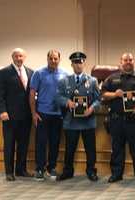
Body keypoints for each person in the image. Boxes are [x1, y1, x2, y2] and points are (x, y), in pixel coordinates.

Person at [102, 53, 135, 183]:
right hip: (117, 120)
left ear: (133, 61)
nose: (128, 62)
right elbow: (103, 94)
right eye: (125, 60)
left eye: (130, 60)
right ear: (121, 62)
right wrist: (115, 94)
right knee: (117, 148)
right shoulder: (112, 78)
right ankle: (116, 174)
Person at [56, 52, 101, 182]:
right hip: (71, 121)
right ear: (72, 64)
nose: (78, 65)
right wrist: (67, 102)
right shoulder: (64, 81)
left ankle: (91, 170)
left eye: (80, 62)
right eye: (76, 62)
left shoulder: (92, 81)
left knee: (90, 149)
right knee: (69, 149)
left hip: (88, 120)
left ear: (84, 63)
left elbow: (98, 100)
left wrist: (92, 108)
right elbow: (57, 97)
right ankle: (68, 171)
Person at [0, 48, 33, 181]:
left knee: (23, 144)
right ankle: (9, 172)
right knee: (9, 145)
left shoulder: (30, 72)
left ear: (25, 57)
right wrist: (2, 111)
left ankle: (21, 170)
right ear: (12, 57)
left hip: (26, 116)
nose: (19, 58)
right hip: (9, 116)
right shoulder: (3, 73)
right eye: (16, 56)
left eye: (21, 56)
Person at [29, 50, 67, 181]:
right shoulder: (38, 73)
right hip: (42, 114)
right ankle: (39, 169)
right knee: (41, 142)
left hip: (58, 114)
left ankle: (51, 168)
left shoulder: (65, 74)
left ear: (59, 59)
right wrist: (34, 113)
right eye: (51, 58)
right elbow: (32, 94)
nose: (53, 61)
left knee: (55, 143)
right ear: (47, 59)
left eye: (56, 59)